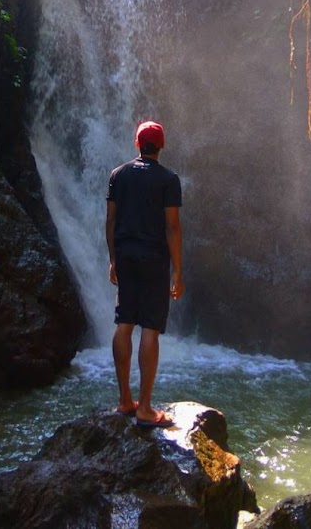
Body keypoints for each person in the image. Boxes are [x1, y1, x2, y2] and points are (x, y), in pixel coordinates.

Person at [105, 120, 184, 428]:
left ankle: (125, 400)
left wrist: (112, 258)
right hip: (153, 258)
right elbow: (172, 226)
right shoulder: (168, 179)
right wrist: (178, 269)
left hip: (125, 255)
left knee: (124, 323)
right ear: (160, 146)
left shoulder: (118, 175)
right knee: (150, 328)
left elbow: (110, 221)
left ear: (137, 144)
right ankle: (146, 408)